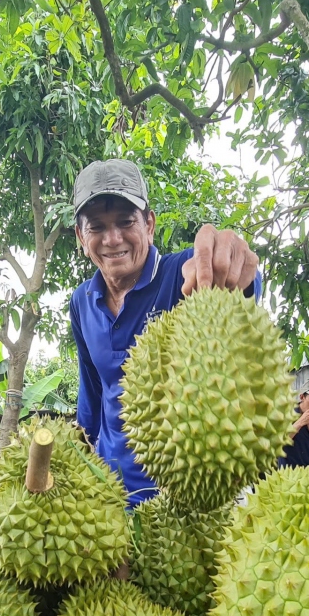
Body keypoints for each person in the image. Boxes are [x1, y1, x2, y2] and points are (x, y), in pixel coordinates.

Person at [69, 159, 260, 504]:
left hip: (191, 495)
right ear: (82, 237)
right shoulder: (81, 301)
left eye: (126, 222)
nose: (112, 239)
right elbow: (92, 392)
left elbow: (235, 283)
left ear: (149, 224)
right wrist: (80, 466)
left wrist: (229, 262)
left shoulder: (181, 275)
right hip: (110, 495)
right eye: (96, 227)